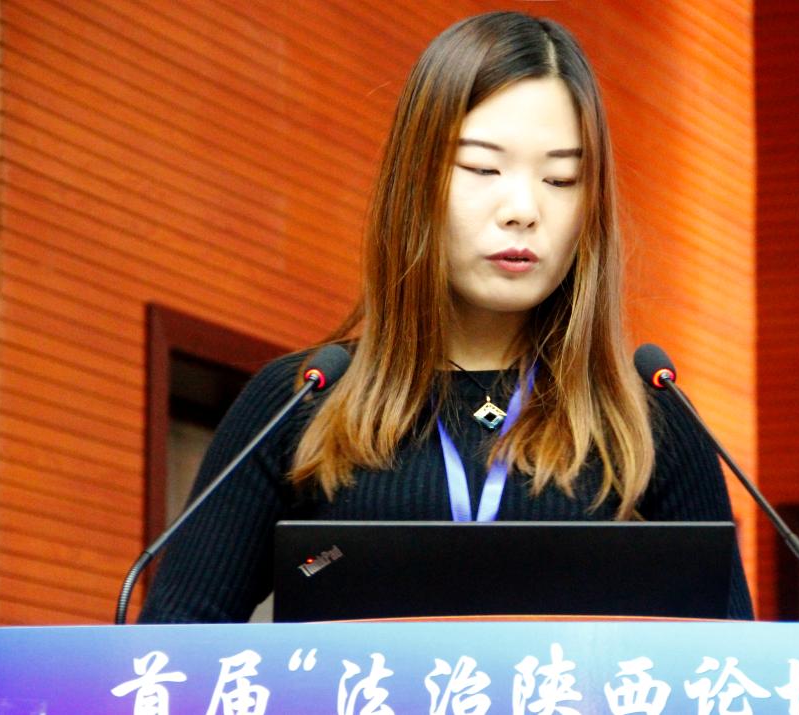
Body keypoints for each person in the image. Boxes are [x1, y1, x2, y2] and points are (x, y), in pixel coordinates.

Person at [139, 11, 753, 623]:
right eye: (483, 169)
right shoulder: (301, 403)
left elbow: (733, 669)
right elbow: (168, 654)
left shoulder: (651, 422)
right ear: (415, 182)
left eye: (561, 179)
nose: (523, 209)